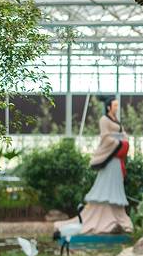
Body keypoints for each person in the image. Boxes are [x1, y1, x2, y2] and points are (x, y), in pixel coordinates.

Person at [54, 96, 133, 239]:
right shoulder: (104, 120)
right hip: (110, 156)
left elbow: (125, 135)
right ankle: (104, 217)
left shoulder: (117, 121)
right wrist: (119, 142)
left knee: (116, 185)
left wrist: (124, 140)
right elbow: (105, 137)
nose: (117, 108)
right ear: (108, 107)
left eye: (117, 105)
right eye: (115, 105)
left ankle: (117, 216)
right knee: (106, 186)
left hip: (117, 160)